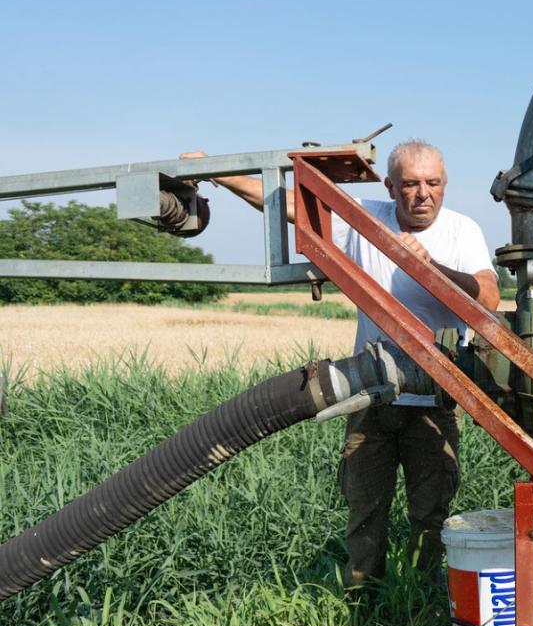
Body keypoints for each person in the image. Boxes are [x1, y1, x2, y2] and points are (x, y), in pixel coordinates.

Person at [182, 140, 499, 588]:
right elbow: (289, 204)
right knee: (365, 509)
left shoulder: (462, 231)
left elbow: (489, 296)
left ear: (445, 186)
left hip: (434, 399)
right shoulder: (367, 222)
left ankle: (421, 599)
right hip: (369, 396)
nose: (422, 194)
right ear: (390, 187)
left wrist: (433, 269)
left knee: (430, 513)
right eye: (409, 184)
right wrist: (221, 172)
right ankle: (363, 600)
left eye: (432, 183)